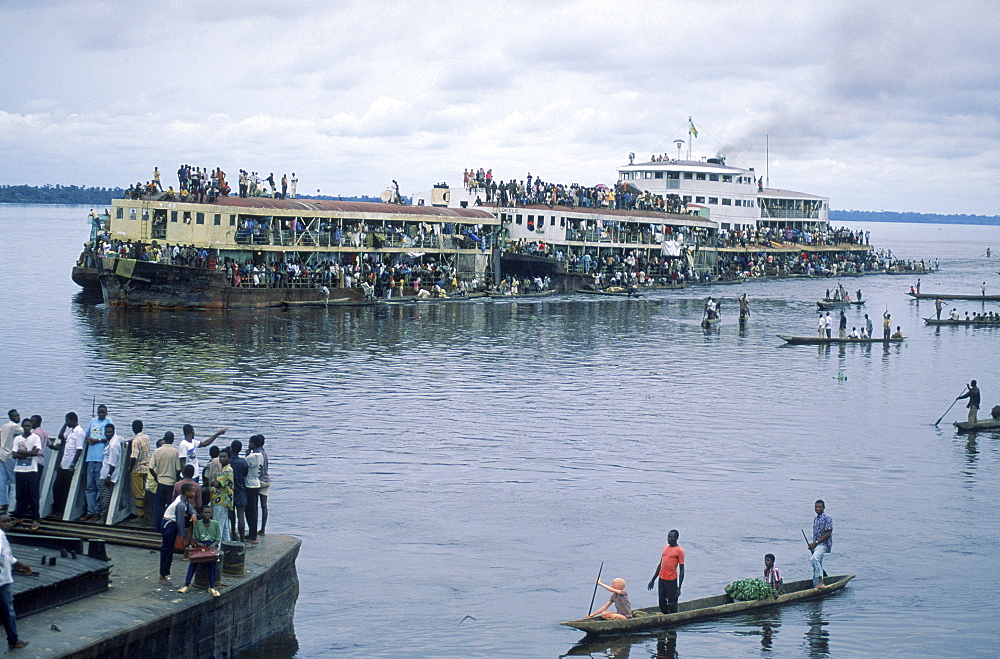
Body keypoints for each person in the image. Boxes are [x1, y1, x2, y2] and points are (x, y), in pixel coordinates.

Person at [0, 514, 31, 649]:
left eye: (9, 521)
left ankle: (13, 639)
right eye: (4, 522)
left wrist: (20, 564)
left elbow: (8, 556)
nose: (8, 524)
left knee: (7, 611)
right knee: (8, 611)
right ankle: (13, 640)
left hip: (5, 579)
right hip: (2, 582)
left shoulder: (3, 536)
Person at [158, 483, 197, 585]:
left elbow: (190, 509)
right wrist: (183, 535)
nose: (194, 493)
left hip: (172, 524)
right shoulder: (180, 504)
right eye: (192, 491)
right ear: (187, 492)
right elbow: (180, 522)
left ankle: (164, 574)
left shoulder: (184, 500)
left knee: (198, 517)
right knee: (167, 550)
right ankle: (163, 576)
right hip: (169, 525)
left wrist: (193, 514)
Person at [178, 506, 221, 597]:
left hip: (211, 546)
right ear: (201, 513)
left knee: (212, 563)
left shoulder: (215, 524)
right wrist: (200, 544)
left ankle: (212, 586)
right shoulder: (197, 524)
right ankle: (186, 584)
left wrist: (213, 545)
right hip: (201, 545)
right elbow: (195, 538)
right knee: (193, 562)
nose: (207, 514)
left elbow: (218, 539)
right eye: (205, 512)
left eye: (209, 512)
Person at [81, 405, 112, 521]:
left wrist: (97, 440)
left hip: (101, 458)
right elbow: (86, 434)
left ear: (106, 412)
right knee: (90, 486)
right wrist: (89, 439)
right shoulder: (93, 421)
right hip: (90, 457)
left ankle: (98, 511)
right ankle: (90, 510)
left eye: (103, 412)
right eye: (99, 412)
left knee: (99, 486)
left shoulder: (109, 421)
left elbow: (110, 437)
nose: (101, 414)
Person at [149, 431, 183, 532]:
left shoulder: (157, 451)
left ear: (164, 439)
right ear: (172, 440)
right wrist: (176, 480)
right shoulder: (175, 452)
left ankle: (157, 529)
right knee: (169, 508)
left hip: (160, 482)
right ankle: (167, 529)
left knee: (158, 507)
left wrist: (156, 478)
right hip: (171, 483)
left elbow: (151, 468)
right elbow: (178, 469)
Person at [53, 412, 84, 518]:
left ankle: (62, 511)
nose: (67, 422)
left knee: (65, 489)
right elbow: (60, 436)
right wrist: (65, 425)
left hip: (70, 465)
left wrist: (73, 465)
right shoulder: (70, 431)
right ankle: (57, 510)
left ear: (73, 420)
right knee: (57, 487)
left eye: (68, 421)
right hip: (63, 464)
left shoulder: (79, 432)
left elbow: (79, 450)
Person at [11, 420, 41, 531]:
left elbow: (36, 453)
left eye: (29, 426)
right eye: (25, 426)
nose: (27, 428)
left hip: (32, 470)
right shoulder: (17, 439)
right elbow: (14, 454)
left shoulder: (36, 438)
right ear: (22, 427)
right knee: (20, 496)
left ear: (31, 426)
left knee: (33, 495)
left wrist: (22, 453)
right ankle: (19, 517)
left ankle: (35, 519)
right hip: (19, 470)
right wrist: (28, 453)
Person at [648, 529, 685, 614]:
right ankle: (665, 616)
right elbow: (660, 564)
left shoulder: (679, 551)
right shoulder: (665, 548)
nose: (669, 539)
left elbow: (682, 569)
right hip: (662, 579)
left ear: (676, 538)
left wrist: (679, 587)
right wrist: (653, 580)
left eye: (671, 537)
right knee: (661, 600)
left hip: (671, 580)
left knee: (672, 602)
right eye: (668, 536)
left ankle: (673, 617)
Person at [98, 424, 124, 520]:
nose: (107, 434)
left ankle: (103, 518)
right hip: (105, 473)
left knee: (105, 498)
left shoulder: (113, 445)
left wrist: (108, 476)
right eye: (106, 432)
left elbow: (112, 463)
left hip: (107, 475)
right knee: (104, 497)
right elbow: (122, 439)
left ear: (113, 431)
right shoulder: (116, 439)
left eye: (109, 432)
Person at [128, 420, 151, 521]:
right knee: (143, 491)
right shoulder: (146, 437)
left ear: (133, 428)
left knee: (137, 493)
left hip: (137, 470)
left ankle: (141, 515)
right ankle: (145, 512)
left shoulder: (135, 441)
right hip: (146, 469)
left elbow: (134, 456)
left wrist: (130, 467)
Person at [0, 411, 22, 515]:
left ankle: (4, 502)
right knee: (14, 480)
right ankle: (13, 504)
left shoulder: (4, 426)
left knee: (3, 481)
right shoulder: (14, 426)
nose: (18, 417)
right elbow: (25, 431)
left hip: (2, 455)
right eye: (16, 416)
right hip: (10, 456)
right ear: (11, 417)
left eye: (18, 415)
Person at [808, 500, 833, 588]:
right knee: (816, 565)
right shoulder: (816, 519)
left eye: (819, 507)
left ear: (823, 508)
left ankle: (821, 582)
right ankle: (816, 585)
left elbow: (828, 533)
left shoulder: (827, 518)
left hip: (824, 544)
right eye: (816, 507)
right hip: (817, 546)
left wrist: (815, 543)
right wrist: (813, 546)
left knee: (814, 559)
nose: (817, 508)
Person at [211, 449, 234, 542]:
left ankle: (217, 551)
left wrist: (213, 480)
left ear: (229, 458)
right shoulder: (224, 469)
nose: (221, 458)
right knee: (225, 528)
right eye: (220, 456)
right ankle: (227, 547)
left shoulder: (227, 470)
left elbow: (216, 483)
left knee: (218, 527)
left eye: (224, 457)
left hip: (221, 501)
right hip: (224, 501)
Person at [228, 441, 249, 543]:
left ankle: (232, 532)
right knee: (241, 514)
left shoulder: (228, 461)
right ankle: (242, 539)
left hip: (230, 490)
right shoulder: (243, 462)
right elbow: (245, 474)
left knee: (231, 514)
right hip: (240, 490)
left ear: (231, 449)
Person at [245, 436, 264, 544]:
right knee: (254, 510)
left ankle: (253, 535)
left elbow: (244, 466)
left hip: (250, 485)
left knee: (250, 511)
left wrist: (246, 456)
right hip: (257, 482)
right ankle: (253, 533)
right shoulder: (261, 455)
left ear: (253, 444)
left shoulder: (251, 457)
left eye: (250, 443)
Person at [256, 436, 270, 537]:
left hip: (258, 481)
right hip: (266, 480)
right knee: (264, 505)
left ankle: (254, 528)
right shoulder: (264, 453)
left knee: (254, 505)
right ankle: (263, 529)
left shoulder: (256, 454)